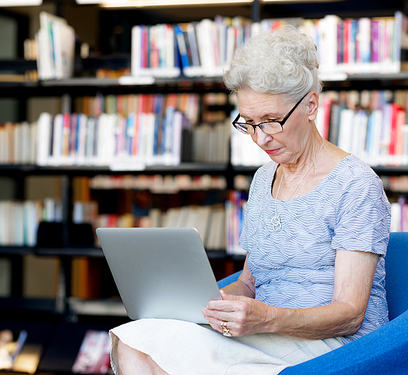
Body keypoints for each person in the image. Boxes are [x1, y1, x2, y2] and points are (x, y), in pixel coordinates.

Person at [109, 25, 391, 375]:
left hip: (335, 347)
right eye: (249, 122)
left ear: (311, 105)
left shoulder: (355, 184)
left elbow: (349, 313)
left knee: (174, 357)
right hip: (267, 334)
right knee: (135, 338)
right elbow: (251, 280)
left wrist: (267, 319)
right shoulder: (262, 180)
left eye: (271, 121)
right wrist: (219, 302)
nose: (260, 138)